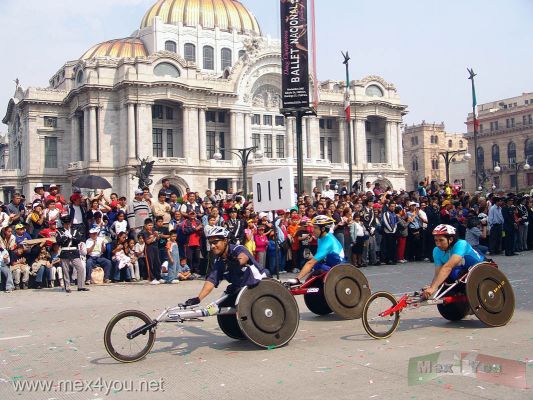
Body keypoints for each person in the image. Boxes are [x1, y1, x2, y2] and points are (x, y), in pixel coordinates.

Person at [182, 226, 268, 307]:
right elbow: (211, 281)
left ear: (225, 241)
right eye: (210, 243)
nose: (212, 246)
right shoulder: (220, 261)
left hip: (260, 284)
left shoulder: (238, 249)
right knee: (221, 305)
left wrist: (237, 261)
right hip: (242, 288)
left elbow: (243, 257)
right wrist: (198, 298)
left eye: (215, 242)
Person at [422, 224, 484, 299]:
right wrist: (432, 287)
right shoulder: (436, 251)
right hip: (462, 270)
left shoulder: (461, 244)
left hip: (480, 267)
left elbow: (447, 267)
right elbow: (438, 273)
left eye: (441, 240)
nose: (438, 244)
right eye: (436, 240)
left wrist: (433, 288)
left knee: (451, 272)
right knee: (448, 276)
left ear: (450, 239)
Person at [286, 215, 346, 285]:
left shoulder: (328, 242)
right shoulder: (321, 237)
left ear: (323, 229)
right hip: (330, 264)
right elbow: (319, 258)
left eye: (315, 228)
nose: (312, 230)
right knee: (316, 269)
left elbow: (310, 263)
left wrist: (297, 279)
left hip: (338, 268)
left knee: (316, 269)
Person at [56, 215, 89, 293]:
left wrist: (71, 237)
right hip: (65, 252)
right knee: (66, 270)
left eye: (69, 223)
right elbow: (59, 241)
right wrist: (65, 237)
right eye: (65, 223)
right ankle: (67, 287)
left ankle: (80, 286)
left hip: (74, 252)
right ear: (63, 224)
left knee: (80, 268)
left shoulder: (74, 230)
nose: (67, 225)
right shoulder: (59, 231)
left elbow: (78, 240)